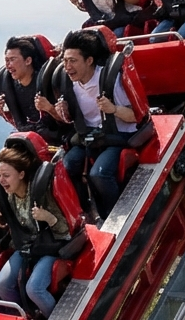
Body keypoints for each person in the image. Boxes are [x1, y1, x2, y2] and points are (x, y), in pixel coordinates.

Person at [56, 30, 144, 219]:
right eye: (65, 61)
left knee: (99, 174)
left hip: (118, 134)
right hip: (91, 136)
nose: (67, 67)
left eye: (73, 61)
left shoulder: (109, 80)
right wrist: (58, 111)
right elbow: (74, 120)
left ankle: (119, 217)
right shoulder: (70, 84)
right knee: (67, 166)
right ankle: (84, 213)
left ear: (89, 61)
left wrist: (113, 109)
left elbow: (136, 116)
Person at [0, 143, 74, 318]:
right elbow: (11, 226)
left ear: (21, 174)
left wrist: (47, 217)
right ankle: (27, 316)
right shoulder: (9, 197)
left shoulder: (40, 194)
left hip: (49, 244)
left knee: (34, 289)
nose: (1, 180)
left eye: (6, 175)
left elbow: (65, 230)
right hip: (27, 245)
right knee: (2, 285)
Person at [0, 37, 60, 138]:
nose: (8, 66)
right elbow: (19, 123)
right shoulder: (9, 88)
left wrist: (50, 108)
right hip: (29, 139)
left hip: (56, 137)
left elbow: (69, 120)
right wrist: (3, 113)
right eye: (6, 60)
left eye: (12, 60)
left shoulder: (48, 83)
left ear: (28, 60)